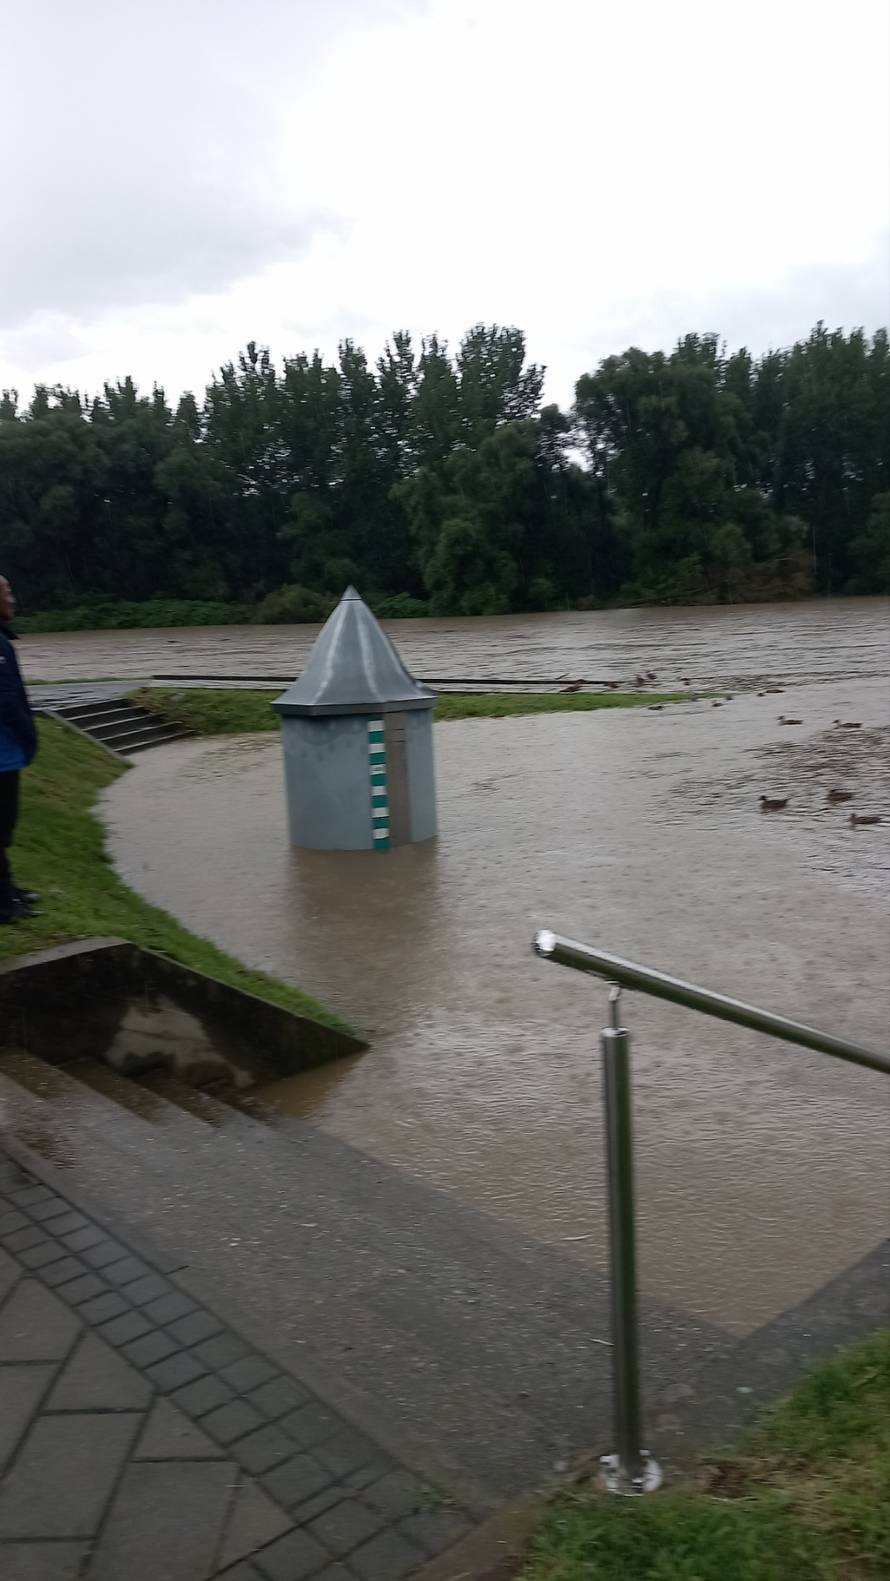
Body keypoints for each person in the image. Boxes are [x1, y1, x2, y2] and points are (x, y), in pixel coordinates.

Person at [0, 575, 38, 924]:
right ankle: (4, 904)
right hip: (3, 752)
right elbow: (7, 699)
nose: (12, 599)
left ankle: (8, 890)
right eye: (7, 593)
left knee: (4, 828)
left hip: (7, 752)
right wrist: (30, 737)